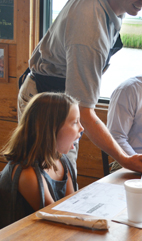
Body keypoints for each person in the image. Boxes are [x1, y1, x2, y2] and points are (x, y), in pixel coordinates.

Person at [17, 0, 142, 174]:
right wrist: (124, 159)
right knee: (50, 180)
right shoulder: (90, 29)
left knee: (65, 177)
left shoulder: (111, 4)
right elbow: (84, 113)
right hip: (46, 105)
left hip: (64, 98)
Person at [0, 93, 83, 228]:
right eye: (75, 122)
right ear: (51, 128)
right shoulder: (27, 173)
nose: (81, 128)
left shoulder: (61, 159)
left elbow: (71, 205)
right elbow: (58, 217)